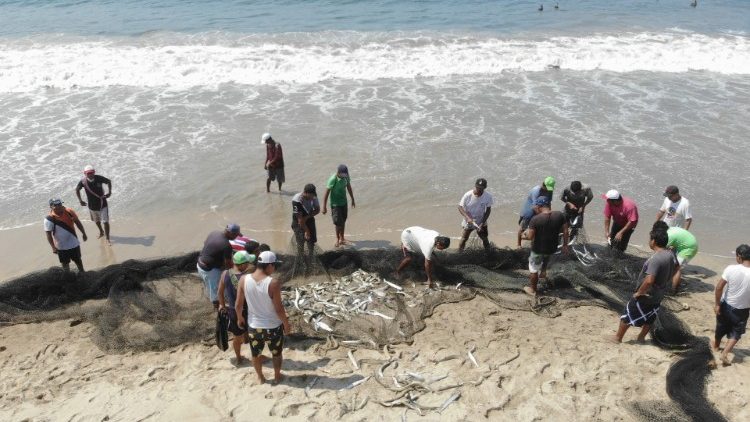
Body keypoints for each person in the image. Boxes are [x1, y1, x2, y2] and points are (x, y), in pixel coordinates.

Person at [236, 251, 291, 384]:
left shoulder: (243, 279)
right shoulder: (273, 283)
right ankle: (277, 376)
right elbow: (278, 309)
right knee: (276, 353)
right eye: (274, 266)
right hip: (273, 327)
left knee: (256, 353)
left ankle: (260, 378)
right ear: (269, 266)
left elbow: (238, 304)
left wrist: (239, 318)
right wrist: (286, 324)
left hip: (254, 327)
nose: (274, 269)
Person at [612, 228, 676, 343]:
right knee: (650, 318)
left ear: (654, 241)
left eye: (650, 239)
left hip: (647, 295)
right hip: (659, 294)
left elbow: (649, 280)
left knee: (627, 316)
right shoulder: (670, 254)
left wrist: (639, 293)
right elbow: (676, 267)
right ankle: (641, 337)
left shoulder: (656, 259)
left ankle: (617, 338)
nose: (649, 241)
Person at [521, 197, 568, 296]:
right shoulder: (560, 215)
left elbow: (530, 237)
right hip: (552, 248)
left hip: (538, 249)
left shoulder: (535, 219)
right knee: (546, 255)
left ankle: (533, 290)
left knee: (533, 269)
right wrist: (565, 245)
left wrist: (523, 236)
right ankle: (543, 271)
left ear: (539, 206)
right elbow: (565, 231)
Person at [712, 245, 750, 365]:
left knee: (721, 326)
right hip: (742, 309)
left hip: (726, 305)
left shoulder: (731, 269)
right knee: (736, 332)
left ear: (739, 256)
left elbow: (719, 288)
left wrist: (717, 304)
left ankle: (716, 346)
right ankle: (725, 353)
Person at [217, 251, 255, 364]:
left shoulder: (225, 274)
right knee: (253, 334)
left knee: (236, 337)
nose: (249, 265)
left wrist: (222, 306)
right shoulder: (247, 277)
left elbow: (219, 292)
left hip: (233, 311)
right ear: (242, 265)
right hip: (246, 310)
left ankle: (238, 358)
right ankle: (255, 357)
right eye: (248, 263)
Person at [197, 224, 241, 308]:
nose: (236, 237)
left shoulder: (214, 232)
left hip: (200, 262)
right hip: (208, 270)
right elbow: (228, 265)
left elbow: (205, 243)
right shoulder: (226, 245)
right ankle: (217, 306)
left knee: (212, 286)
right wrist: (236, 273)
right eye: (235, 235)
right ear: (229, 233)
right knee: (215, 290)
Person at [652, 221, 699, 292]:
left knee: (677, 268)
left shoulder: (669, 235)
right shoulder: (670, 229)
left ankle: (674, 289)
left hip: (689, 248)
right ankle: (674, 283)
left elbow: (660, 250)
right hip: (688, 243)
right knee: (674, 264)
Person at [44, 198, 88, 272]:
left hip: (74, 243)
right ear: (51, 207)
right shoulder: (49, 219)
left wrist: (84, 233)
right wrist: (53, 247)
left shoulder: (69, 212)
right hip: (61, 247)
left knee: (78, 260)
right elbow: (48, 234)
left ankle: (82, 273)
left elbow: (78, 222)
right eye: (56, 205)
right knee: (65, 264)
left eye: (60, 204)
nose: (59, 206)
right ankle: (67, 276)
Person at [75, 165, 112, 244]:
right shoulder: (83, 181)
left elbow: (109, 181)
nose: (90, 174)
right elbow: (77, 189)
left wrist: (109, 192)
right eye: (88, 173)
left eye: (91, 173)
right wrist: (80, 200)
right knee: (97, 221)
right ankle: (101, 232)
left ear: (94, 172)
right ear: (85, 173)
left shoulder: (99, 178)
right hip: (92, 206)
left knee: (105, 221)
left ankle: (108, 238)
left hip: (103, 204)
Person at [322, 164, 356, 247]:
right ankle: (337, 238)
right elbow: (326, 193)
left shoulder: (346, 177)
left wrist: (352, 199)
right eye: (343, 174)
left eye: (345, 174)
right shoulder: (333, 179)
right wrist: (324, 206)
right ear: (338, 172)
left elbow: (349, 187)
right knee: (338, 223)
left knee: (343, 220)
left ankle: (342, 238)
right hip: (335, 203)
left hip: (344, 202)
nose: (344, 175)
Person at [517, 176, 556, 248]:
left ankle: (534, 244)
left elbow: (549, 203)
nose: (549, 190)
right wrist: (542, 216)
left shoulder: (550, 191)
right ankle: (519, 244)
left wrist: (549, 213)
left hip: (541, 209)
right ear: (543, 184)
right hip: (529, 209)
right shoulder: (536, 191)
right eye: (548, 188)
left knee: (538, 229)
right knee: (523, 227)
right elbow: (535, 206)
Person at [458, 178, 493, 251]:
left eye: (481, 188)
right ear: (475, 186)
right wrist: (467, 217)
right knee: (464, 239)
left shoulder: (488, 196)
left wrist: (482, 223)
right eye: (477, 187)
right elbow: (460, 207)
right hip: (469, 221)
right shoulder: (468, 195)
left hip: (481, 220)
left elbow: (488, 210)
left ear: (485, 188)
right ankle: (459, 252)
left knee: (485, 239)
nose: (479, 189)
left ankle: (488, 252)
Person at [292, 184, 320, 263]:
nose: (312, 198)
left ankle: (311, 259)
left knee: (311, 242)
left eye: (313, 195)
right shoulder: (297, 200)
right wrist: (307, 231)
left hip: (308, 218)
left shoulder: (314, 196)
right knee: (300, 243)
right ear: (306, 193)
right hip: (297, 220)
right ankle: (301, 261)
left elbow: (317, 210)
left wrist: (307, 217)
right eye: (311, 195)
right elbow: (300, 221)